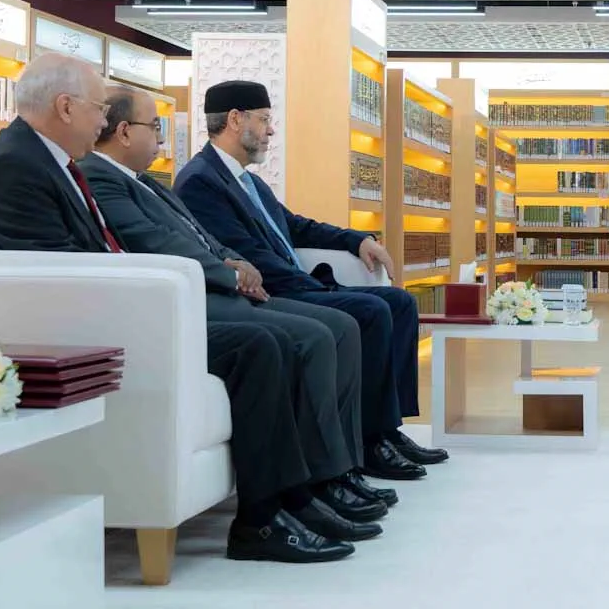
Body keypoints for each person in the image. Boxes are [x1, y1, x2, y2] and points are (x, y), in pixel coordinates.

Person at [0, 54, 354, 564]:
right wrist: (154, 290)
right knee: (261, 343)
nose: (103, 123)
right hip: (106, 323)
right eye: (98, 109)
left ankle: (290, 500)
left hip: (133, 306)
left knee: (276, 337)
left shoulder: (49, 161)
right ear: (65, 107)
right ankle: (261, 520)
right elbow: (58, 272)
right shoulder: (16, 167)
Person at [82, 84, 400, 527]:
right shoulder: (140, 178)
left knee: (359, 318)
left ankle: (350, 460)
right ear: (122, 132)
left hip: (236, 286)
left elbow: (214, 236)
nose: (161, 138)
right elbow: (158, 242)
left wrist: (233, 261)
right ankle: (319, 480)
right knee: (327, 329)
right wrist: (231, 271)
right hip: (214, 296)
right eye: (155, 127)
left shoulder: (155, 182)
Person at [176, 80, 446, 480]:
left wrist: (356, 240)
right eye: (264, 120)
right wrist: (311, 286)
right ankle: (370, 441)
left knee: (400, 303)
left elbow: (296, 227)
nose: (270, 130)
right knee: (371, 310)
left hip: (297, 284)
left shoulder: (249, 180)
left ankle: (386, 428)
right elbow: (249, 256)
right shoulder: (200, 181)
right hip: (272, 293)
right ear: (235, 119)